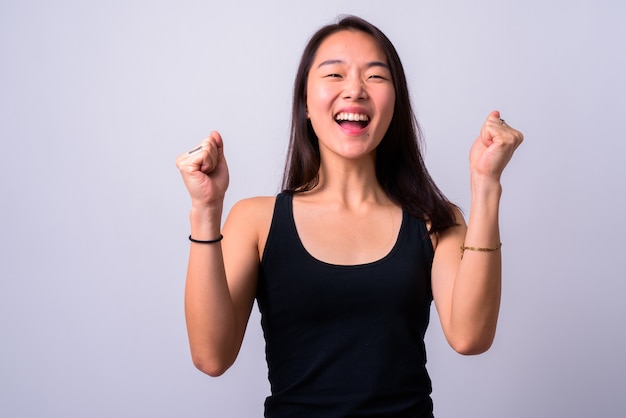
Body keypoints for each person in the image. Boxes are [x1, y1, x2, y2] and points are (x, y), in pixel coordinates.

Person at [175, 15, 523, 418]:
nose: (354, 90)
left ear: (396, 100)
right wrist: (206, 210)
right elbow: (210, 357)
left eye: (375, 77)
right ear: (306, 102)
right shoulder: (256, 220)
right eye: (334, 74)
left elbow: (470, 337)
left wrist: (486, 183)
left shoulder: (434, 222)